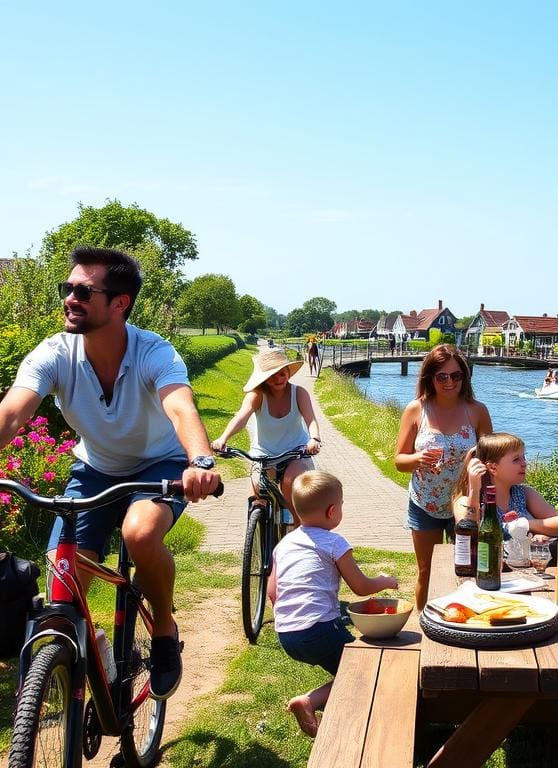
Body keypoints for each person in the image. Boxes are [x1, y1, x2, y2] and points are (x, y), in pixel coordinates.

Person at [0, 246, 221, 700]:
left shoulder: (153, 352)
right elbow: (11, 415)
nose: (69, 298)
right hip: (94, 468)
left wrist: (199, 462)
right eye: (68, 288)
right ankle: (84, 655)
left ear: (120, 303)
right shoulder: (54, 354)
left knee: (140, 535)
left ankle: (163, 628)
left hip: (157, 466)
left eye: (83, 290)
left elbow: (180, 407)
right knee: (63, 596)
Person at [268, 471, 398, 737]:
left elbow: (272, 592)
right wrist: (385, 581)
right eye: (341, 505)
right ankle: (312, 702)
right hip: (318, 629)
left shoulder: (284, 544)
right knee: (363, 671)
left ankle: (325, 706)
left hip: (286, 634)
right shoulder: (334, 543)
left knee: (349, 670)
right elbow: (360, 587)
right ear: (332, 511)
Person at [394, 344, 493, 609]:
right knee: (426, 569)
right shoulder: (416, 409)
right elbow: (399, 461)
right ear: (430, 378)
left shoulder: (477, 410)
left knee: (467, 568)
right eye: (442, 376)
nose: (449, 382)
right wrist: (418, 460)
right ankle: (427, 624)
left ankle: (464, 620)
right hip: (425, 502)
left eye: (456, 376)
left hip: (466, 502)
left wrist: (478, 460)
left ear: (464, 377)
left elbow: (489, 458)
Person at [211, 349, 321, 525]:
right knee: (256, 490)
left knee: (289, 482)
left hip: (295, 452)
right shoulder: (256, 396)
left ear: (288, 373)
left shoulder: (299, 393)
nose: (278, 379)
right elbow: (241, 418)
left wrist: (314, 439)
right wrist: (223, 438)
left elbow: (311, 420)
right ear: (265, 378)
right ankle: (255, 532)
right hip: (264, 454)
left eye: (282, 373)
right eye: (273, 375)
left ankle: (298, 528)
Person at [451, 432, 558, 539]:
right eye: (516, 459)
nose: (524, 463)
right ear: (493, 468)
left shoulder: (524, 494)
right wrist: (474, 490)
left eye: (523, 457)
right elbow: (468, 535)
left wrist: (526, 525)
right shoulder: (465, 502)